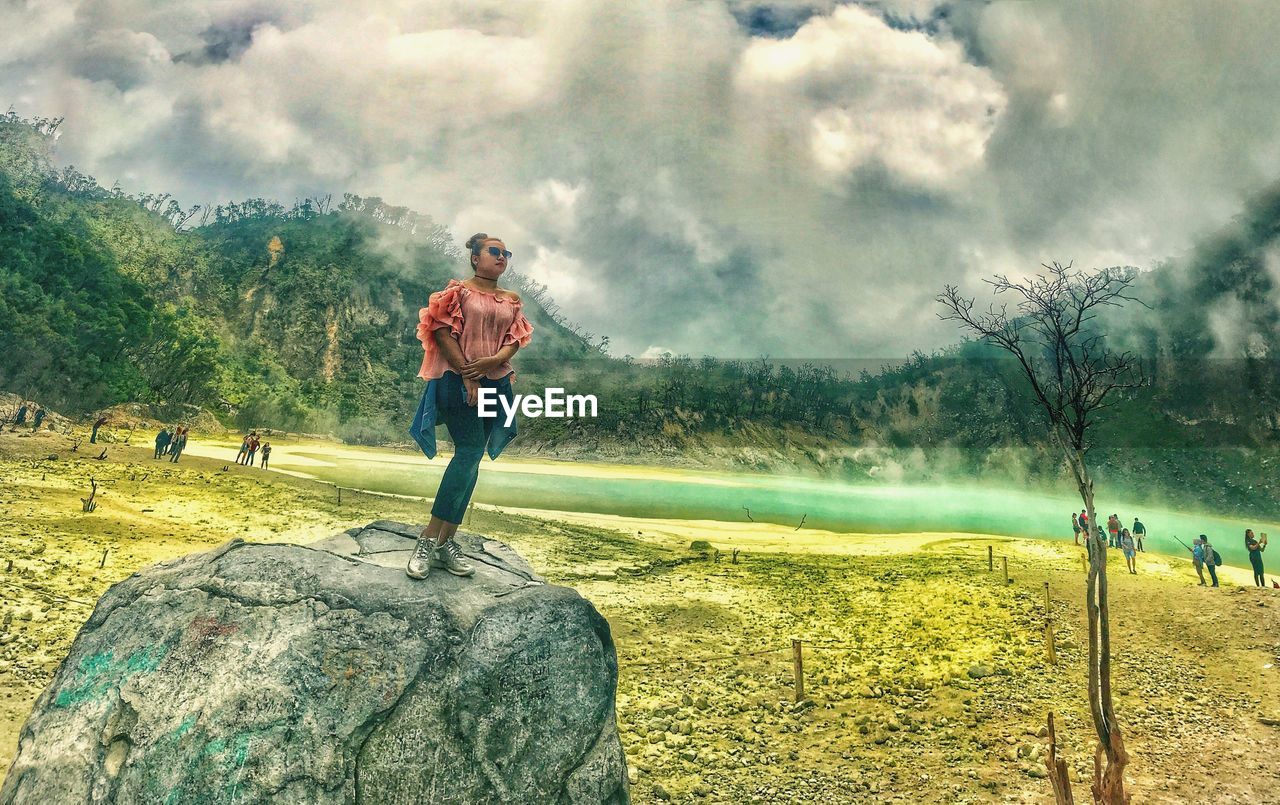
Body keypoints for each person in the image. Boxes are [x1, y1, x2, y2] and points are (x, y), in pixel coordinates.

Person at [406, 232, 533, 581]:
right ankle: (429, 538)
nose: (502, 256)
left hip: (496, 382)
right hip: (455, 379)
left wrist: (493, 360)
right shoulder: (457, 292)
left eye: (507, 252)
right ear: (475, 257)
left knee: (473, 458)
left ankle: (447, 542)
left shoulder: (511, 299)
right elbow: (442, 332)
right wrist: (468, 374)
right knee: (470, 450)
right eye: (494, 251)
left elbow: (515, 340)